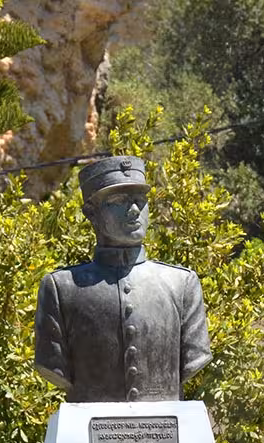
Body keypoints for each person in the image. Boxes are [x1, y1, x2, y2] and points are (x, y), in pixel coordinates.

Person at [33, 156, 213, 402]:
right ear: (91, 213)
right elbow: (51, 365)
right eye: (119, 201)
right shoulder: (61, 288)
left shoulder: (182, 284)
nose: (134, 210)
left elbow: (194, 358)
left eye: (140, 200)